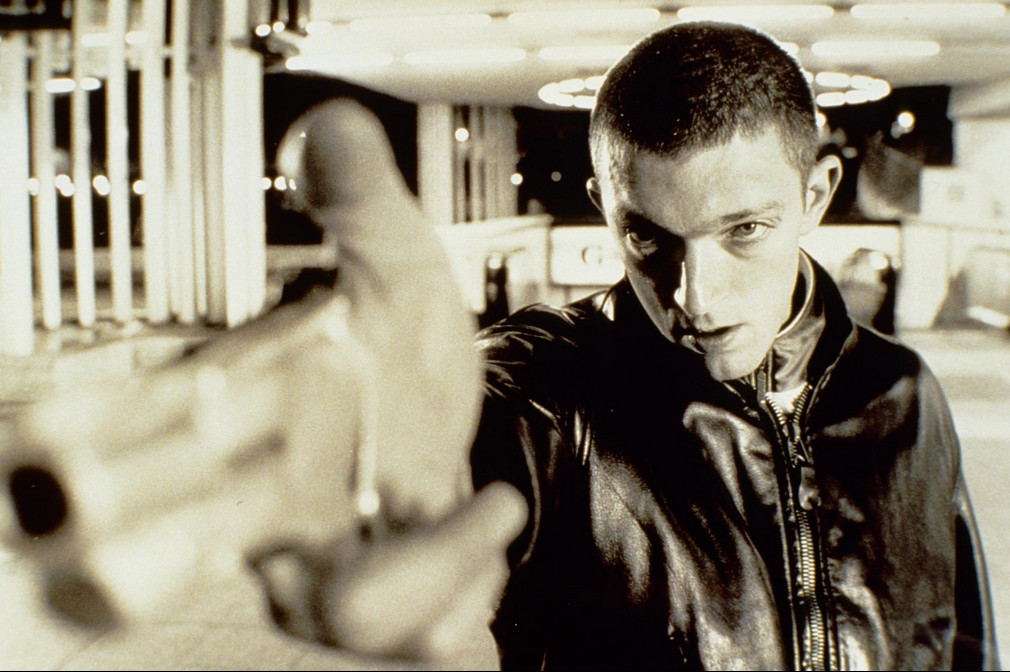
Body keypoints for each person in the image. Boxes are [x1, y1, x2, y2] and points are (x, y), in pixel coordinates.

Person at [3, 20, 997, 672]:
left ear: (816, 195)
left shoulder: (902, 393)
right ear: (607, 208)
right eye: (648, 239)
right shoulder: (552, 396)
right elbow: (471, 410)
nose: (695, 296)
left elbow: (956, 639)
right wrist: (365, 444)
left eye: (744, 230)